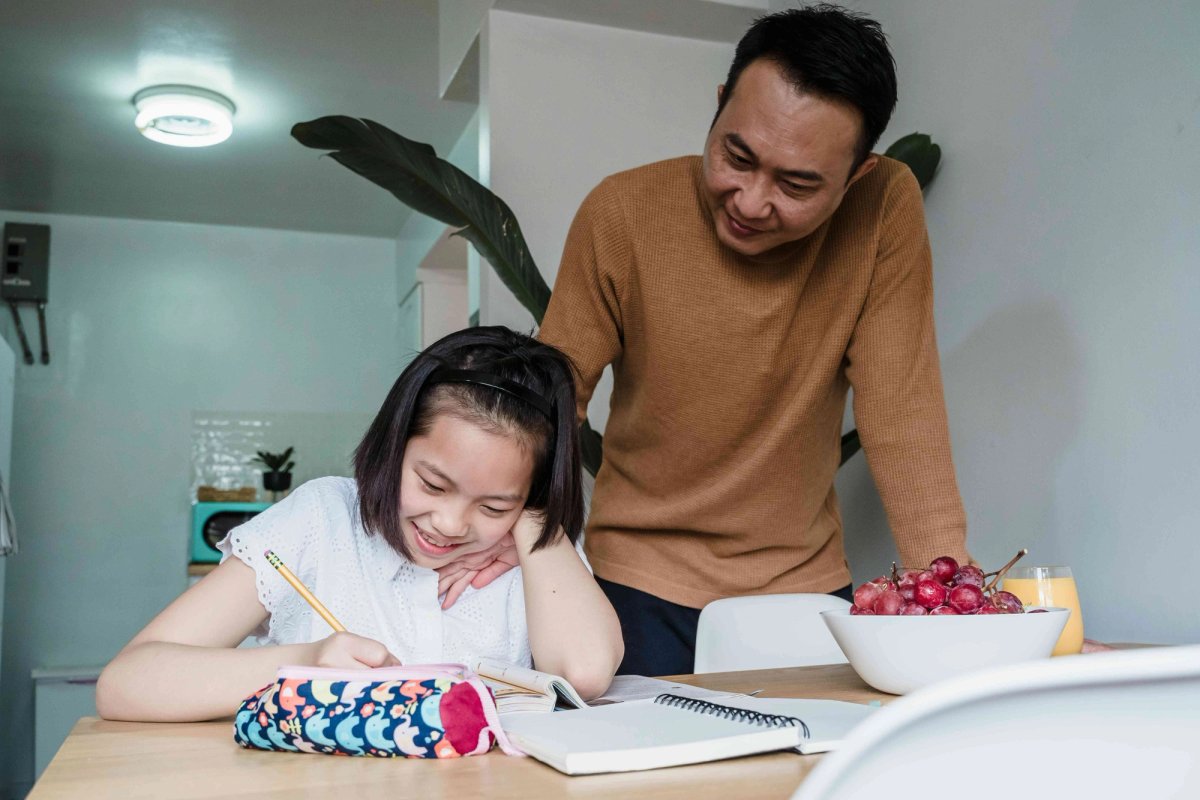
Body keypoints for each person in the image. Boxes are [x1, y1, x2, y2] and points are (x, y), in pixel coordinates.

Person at [532, 4, 970, 675]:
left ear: (856, 176)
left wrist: (961, 618)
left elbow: (903, 410)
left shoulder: (883, 208)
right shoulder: (621, 212)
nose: (750, 201)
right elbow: (549, 407)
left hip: (803, 593)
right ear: (717, 108)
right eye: (736, 156)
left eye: (796, 184)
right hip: (634, 588)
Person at [96, 327, 623, 721]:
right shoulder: (320, 519)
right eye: (433, 485)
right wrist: (307, 664)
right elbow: (126, 683)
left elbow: (584, 673)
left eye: (492, 506)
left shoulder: (533, 546)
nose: (450, 523)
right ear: (393, 446)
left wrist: (532, 520)